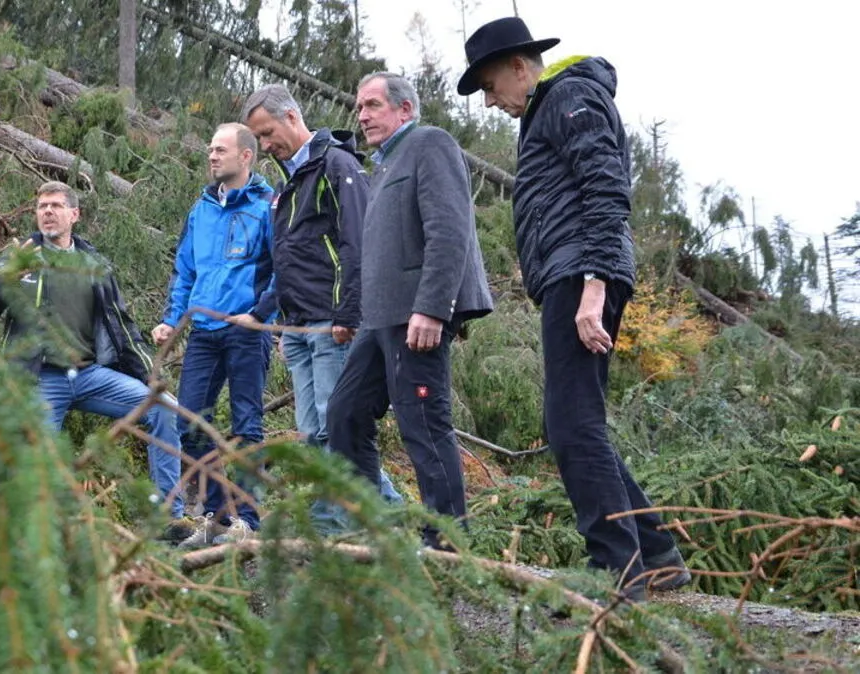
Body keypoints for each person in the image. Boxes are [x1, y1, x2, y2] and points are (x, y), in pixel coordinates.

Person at [456, 16, 691, 599]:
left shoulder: (570, 95)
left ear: (518, 66)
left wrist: (594, 285)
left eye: (488, 86)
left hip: (582, 274)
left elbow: (606, 186)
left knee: (572, 425)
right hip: (571, 274)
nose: (489, 101)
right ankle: (654, 554)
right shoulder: (552, 105)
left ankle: (616, 571)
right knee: (578, 421)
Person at [325, 72, 493, 549]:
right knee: (345, 414)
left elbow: (450, 231)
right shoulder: (384, 165)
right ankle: (373, 530)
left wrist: (434, 308)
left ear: (405, 109)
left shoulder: (430, 143)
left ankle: (446, 541)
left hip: (416, 316)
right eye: (359, 107)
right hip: (378, 320)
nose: (362, 115)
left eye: (373, 105)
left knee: (422, 422)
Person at [0, 181, 185, 527]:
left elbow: (123, 328)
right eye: (42, 207)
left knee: (164, 408)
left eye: (56, 206)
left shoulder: (94, 264)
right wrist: (10, 277)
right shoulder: (20, 255)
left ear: (74, 214)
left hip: (90, 376)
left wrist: (152, 378)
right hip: (39, 380)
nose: (48, 212)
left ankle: (168, 520)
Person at [242, 83, 403, 534]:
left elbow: (358, 243)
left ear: (292, 118)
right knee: (314, 431)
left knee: (339, 428)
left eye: (268, 132)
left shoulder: (337, 164)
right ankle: (338, 516)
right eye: (258, 138)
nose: (265, 145)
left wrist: (348, 315)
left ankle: (376, 519)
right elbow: (286, 259)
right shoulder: (285, 185)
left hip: (332, 324)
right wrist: (269, 315)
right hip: (297, 328)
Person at [152, 123, 277, 548]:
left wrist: (260, 314)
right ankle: (220, 517)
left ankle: (249, 523)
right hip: (203, 332)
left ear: (246, 156)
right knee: (190, 424)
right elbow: (186, 270)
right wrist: (173, 318)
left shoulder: (268, 206)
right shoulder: (201, 208)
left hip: (247, 330)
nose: (211, 156)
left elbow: (283, 270)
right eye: (209, 149)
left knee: (245, 426)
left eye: (220, 149)